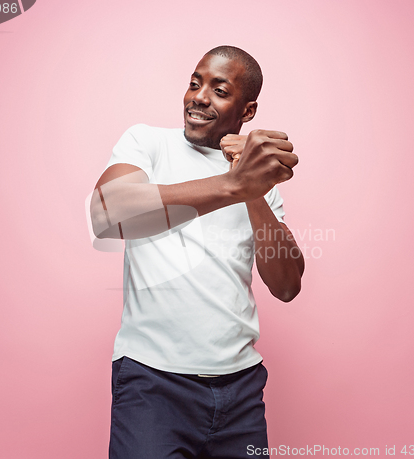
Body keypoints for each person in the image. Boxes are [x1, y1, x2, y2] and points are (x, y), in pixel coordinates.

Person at [90, 45, 304, 459]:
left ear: (248, 111)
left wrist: (252, 189)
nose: (199, 97)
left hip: (241, 389)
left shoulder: (256, 181)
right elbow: (107, 213)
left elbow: (287, 284)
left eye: (219, 90)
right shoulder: (148, 143)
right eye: (194, 83)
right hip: (153, 383)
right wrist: (233, 186)